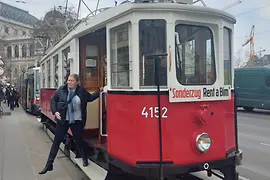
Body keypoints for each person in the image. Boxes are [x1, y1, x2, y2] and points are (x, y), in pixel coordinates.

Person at [39, 73, 103, 175]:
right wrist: (55, 112)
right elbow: (53, 101)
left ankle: (84, 158)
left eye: (72, 81)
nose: (69, 82)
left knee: (79, 141)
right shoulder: (61, 90)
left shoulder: (81, 91)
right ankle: (48, 165)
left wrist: (100, 91)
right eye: (68, 80)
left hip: (76, 121)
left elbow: (90, 98)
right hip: (63, 121)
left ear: (77, 82)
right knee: (56, 142)